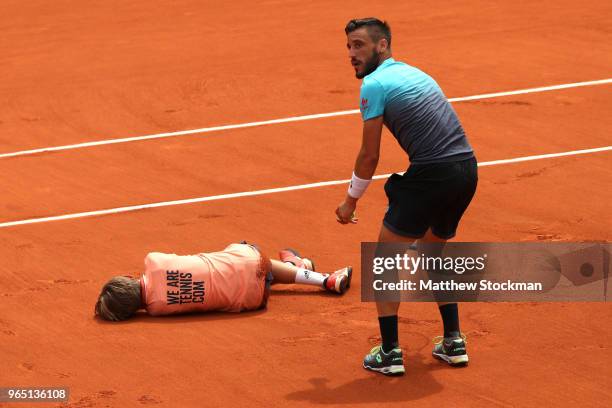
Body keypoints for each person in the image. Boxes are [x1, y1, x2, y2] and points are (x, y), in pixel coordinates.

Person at [336, 18, 478, 376]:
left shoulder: (375, 84)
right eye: (349, 46)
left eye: (359, 45)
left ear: (382, 45)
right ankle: (453, 341)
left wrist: (350, 201)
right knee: (432, 253)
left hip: (431, 175)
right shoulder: (415, 73)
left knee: (383, 263)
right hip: (466, 171)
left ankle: (389, 352)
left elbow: (370, 155)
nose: (351, 54)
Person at [95, 243, 352, 321]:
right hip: (251, 263)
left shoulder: (158, 308)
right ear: (127, 279)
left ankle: (300, 266)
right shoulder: (152, 260)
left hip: (251, 301)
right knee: (243, 256)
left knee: (242, 276)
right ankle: (316, 276)